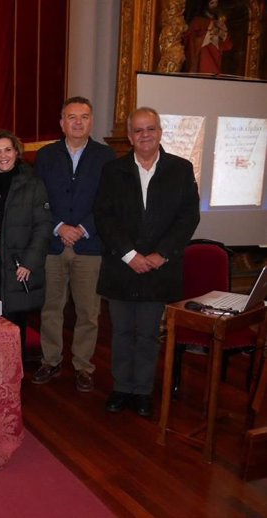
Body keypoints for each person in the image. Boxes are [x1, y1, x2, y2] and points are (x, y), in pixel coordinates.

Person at [94, 107, 200, 418]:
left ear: (160, 132)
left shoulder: (180, 169)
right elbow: (104, 216)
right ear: (129, 137)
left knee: (148, 333)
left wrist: (161, 254)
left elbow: (188, 217)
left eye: (150, 129)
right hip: (121, 266)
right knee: (122, 331)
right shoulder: (113, 171)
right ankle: (121, 387)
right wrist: (129, 255)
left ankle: (141, 391)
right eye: (138, 131)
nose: (145, 135)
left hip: (159, 267)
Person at [32, 97, 116, 392]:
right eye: (71, 117)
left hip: (89, 246)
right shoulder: (45, 156)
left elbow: (109, 202)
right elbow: (38, 199)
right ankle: (51, 360)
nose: (78, 122)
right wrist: (59, 226)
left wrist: (81, 228)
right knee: (51, 308)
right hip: (53, 245)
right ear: (62, 123)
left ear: (91, 121)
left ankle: (83, 366)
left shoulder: (107, 157)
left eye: (83, 116)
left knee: (88, 312)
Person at [0, 130, 51, 353]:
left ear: (16, 152)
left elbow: (43, 227)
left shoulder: (33, 184)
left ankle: (13, 379)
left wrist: (29, 263)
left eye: (7, 150)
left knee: (14, 327)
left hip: (16, 267)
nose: (3, 155)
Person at [184, 0, 232, 75]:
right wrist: (208, 35)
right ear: (206, 4)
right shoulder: (197, 21)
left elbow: (227, 45)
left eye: (216, 3)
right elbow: (190, 40)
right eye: (212, 3)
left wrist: (223, 33)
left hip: (216, 60)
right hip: (203, 60)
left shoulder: (219, 22)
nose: (215, 6)